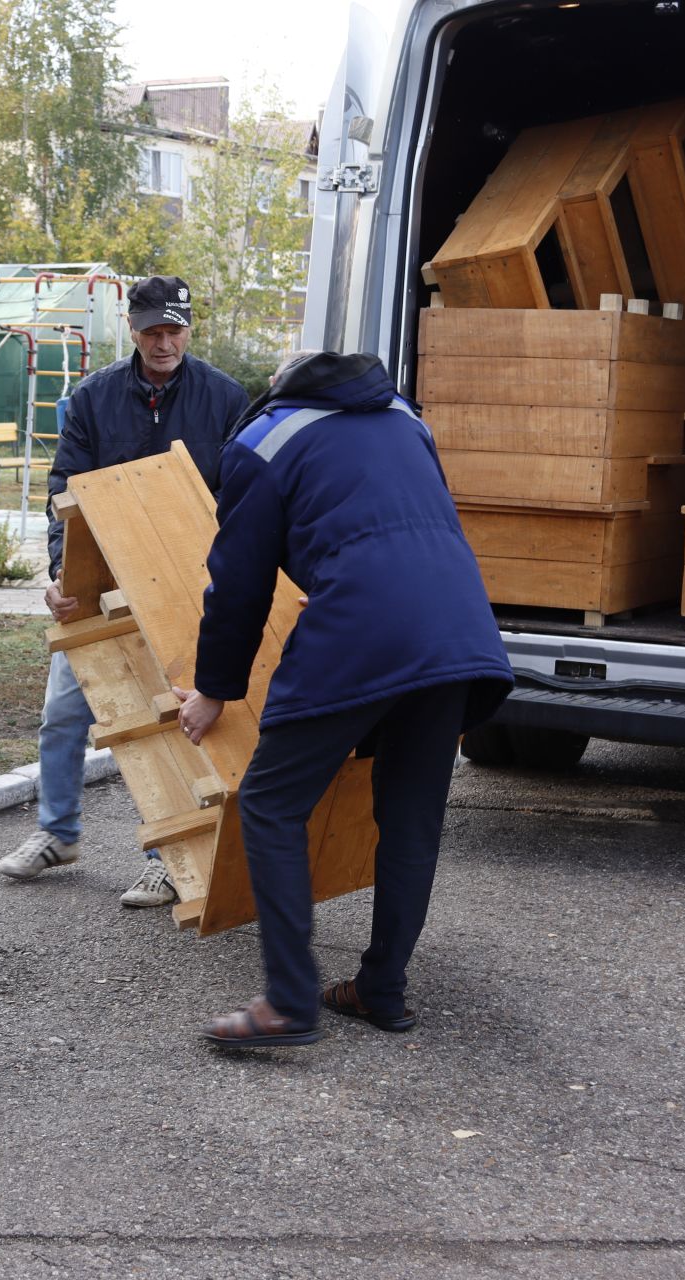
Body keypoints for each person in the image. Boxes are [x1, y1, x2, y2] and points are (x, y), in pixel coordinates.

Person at [170, 349, 514, 1046]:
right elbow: (401, 523)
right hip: (457, 633)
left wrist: (214, 690)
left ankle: (289, 1003)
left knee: (269, 803)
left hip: (363, 630)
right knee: (411, 820)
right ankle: (381, 990)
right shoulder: (402, 416)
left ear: (276, 390)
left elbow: (238, 584)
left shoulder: (262, 439)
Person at [0, 275, 251, 907]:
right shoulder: (92, 398)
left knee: (170, 722)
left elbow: (242, 496)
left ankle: (168, 857)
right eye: (153, 331)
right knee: (64, 715)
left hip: (186, 587)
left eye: (175, 330)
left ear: (189, 329)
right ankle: (57, 834)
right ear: (132, 331)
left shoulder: (226, 398)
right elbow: (65, 493)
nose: (165, 343)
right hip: (102, 579)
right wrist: (62, 576)